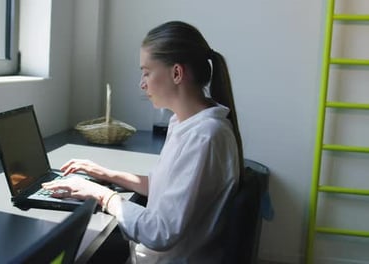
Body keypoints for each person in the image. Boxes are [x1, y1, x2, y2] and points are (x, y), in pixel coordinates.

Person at [42, 20, 244, 264]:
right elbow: (164, 187)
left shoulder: (205, 136)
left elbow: (160, 232)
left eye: (147, 72)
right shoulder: (185, 123)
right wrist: (105, 173)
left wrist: (101, 195)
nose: (142, 83)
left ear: (177, 73)